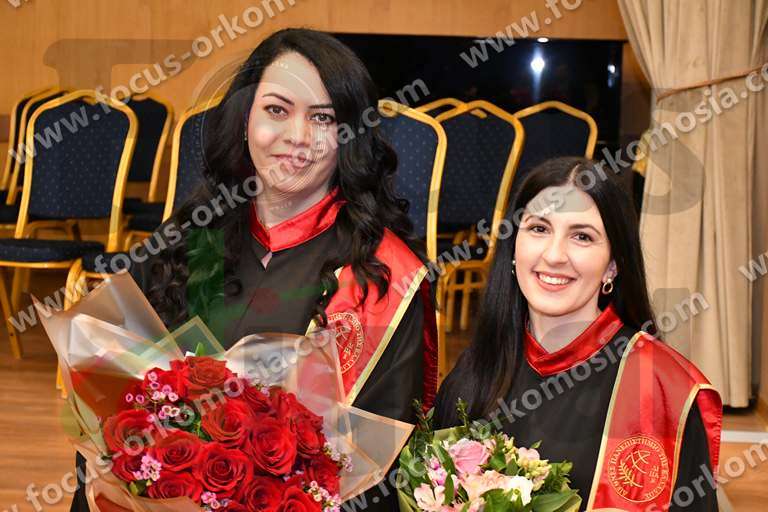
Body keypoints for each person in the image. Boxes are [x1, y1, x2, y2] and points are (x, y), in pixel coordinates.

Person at [70, 28, 437, 512]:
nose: (297, 137)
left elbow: (377, 468)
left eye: (323, 117)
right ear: (245, 120)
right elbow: (108, 410)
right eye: (277, 110)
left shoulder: (380, 277)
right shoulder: (186, 239)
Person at [433, 157, 722, 511]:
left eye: (582, 236)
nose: (555, 255)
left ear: (613, 265)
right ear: (514, 248)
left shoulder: (663, 388)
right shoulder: (474, 371)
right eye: (539, 229)